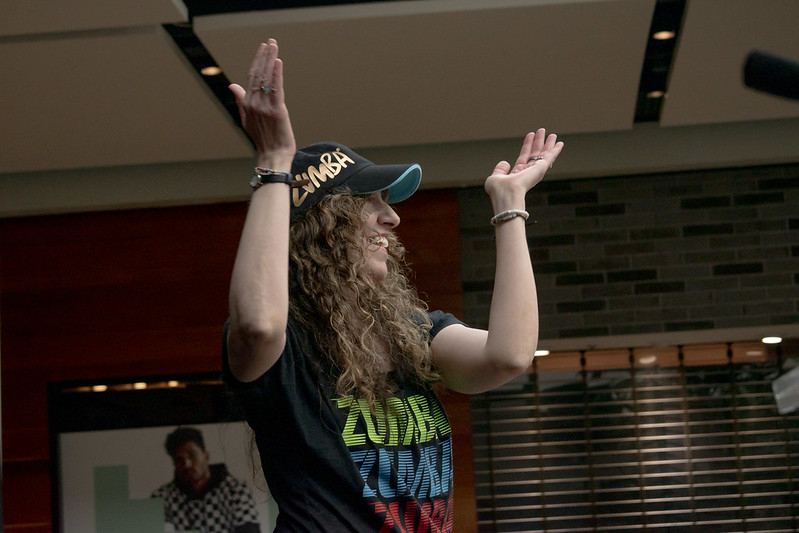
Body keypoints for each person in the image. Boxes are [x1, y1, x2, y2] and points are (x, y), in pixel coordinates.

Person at [222, 38, 563, 532]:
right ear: (325, 225)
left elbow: (507, 356)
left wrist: (509, 206)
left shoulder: (413, 331)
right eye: (371, 201)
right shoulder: (284, 345)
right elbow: (257, 323)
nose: (392, 218)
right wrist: (275, 160)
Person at [151, 427, 262, 533]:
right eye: (179, 459)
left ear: (206, 457)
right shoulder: (163, 497)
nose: (187, 464)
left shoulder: (236, 491)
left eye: (192, 455)